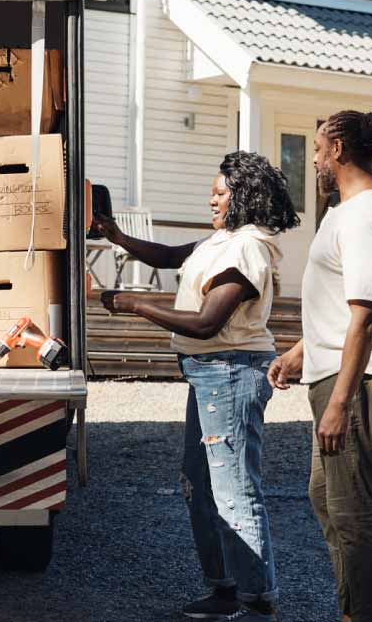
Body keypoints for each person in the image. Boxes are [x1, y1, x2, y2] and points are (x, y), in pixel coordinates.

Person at [99, 151, 299, 622]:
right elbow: (170, 257)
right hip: (209, 373)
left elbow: (208, 322)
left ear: (244, 197)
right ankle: (225, 589)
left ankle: (257, 600)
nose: (212, 197)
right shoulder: (222, 241)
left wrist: (133, 303)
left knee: (233, 490)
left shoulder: (248, 247)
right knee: (201, 484)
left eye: (221, 191)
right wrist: (118, 237)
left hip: (230, 371)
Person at [267, 110, 372, 622]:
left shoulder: (366, 216)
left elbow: (366, 317)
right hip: (337, 367)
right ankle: (350, 606)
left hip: (362, 376)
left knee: (352, 507)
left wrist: (339, 402)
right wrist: (300, 351)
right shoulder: (345, 210)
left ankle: (360, 616)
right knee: (324, 493)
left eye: (315, 148)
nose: (310, 159)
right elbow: (338, 305)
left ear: (338, 150)